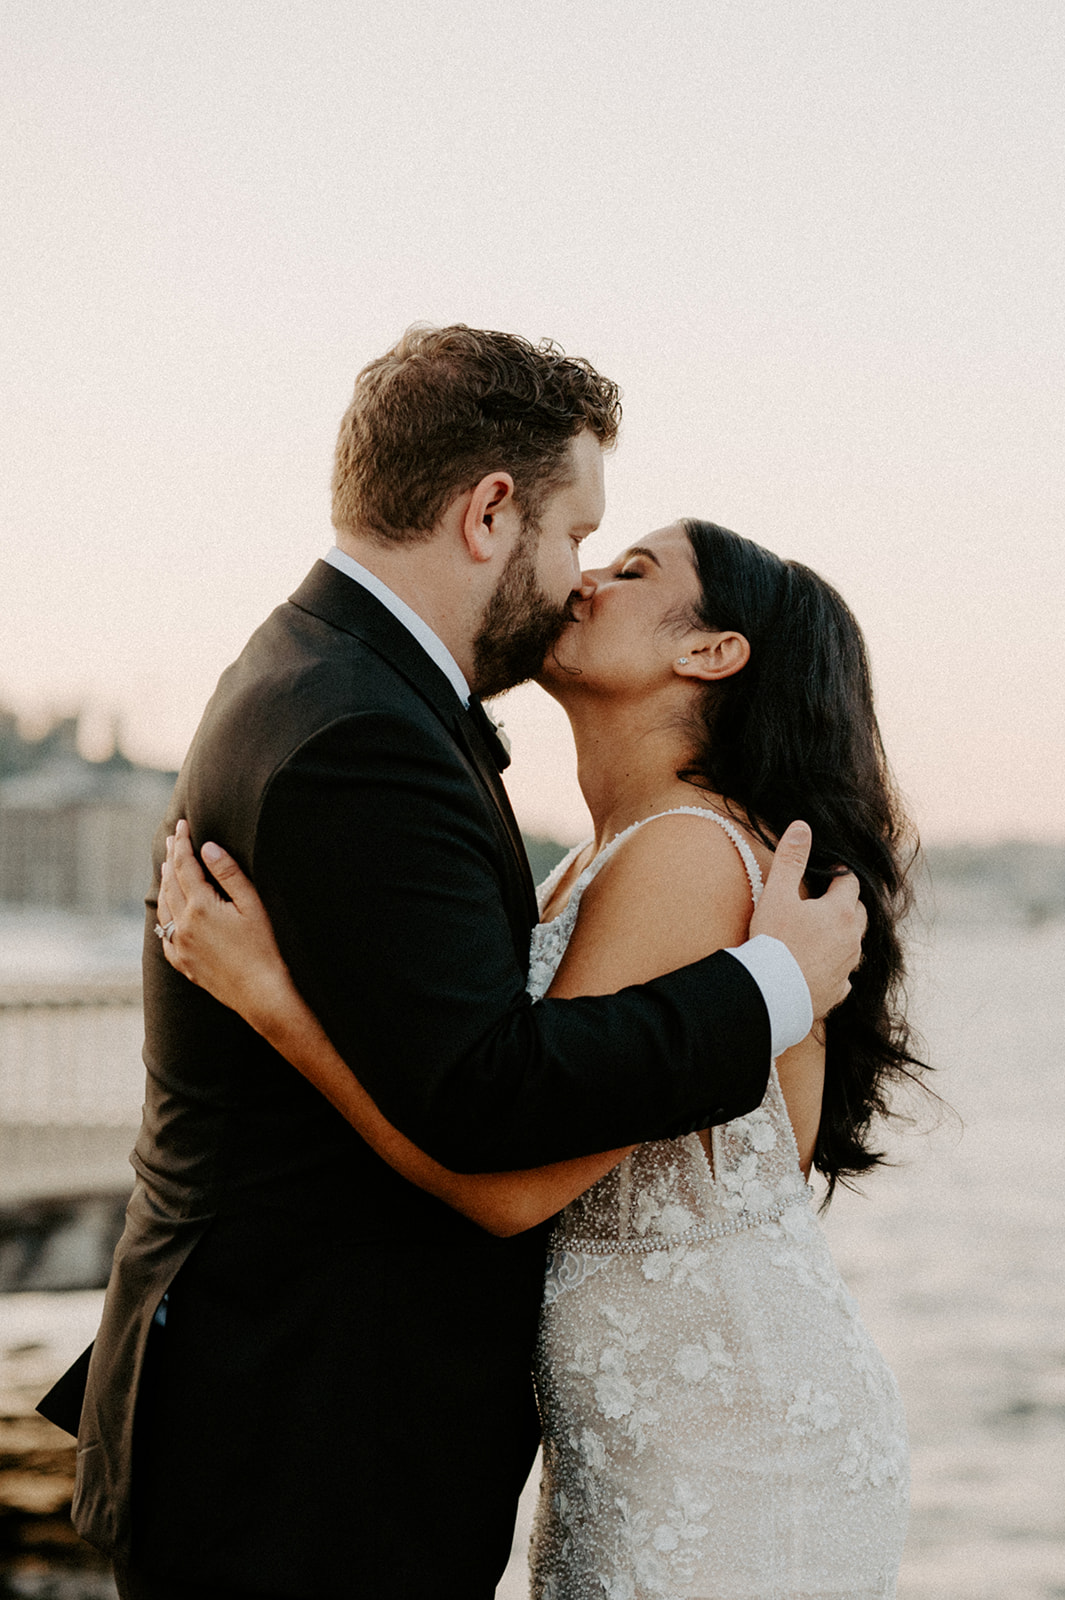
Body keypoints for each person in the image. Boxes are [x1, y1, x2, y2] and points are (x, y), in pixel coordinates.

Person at [38, 327, 863, 1600]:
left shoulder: (343, 687)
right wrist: (770, 992)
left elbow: (500, 1124)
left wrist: (274, 1003)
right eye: (579, 535)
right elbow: (492, 1117)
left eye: (613, 556)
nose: (581, 575)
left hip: (688, 1452)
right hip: (308, 1435)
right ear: (491, 512)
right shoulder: (365, 726)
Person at [155, 518, 921, 1597]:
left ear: (709, 651)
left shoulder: (692, 854)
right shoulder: (590, 864)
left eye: (632, 570)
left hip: (732, 1448)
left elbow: (511, 1183)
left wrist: (275, 1004)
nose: (584, 578)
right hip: (636, 1441)